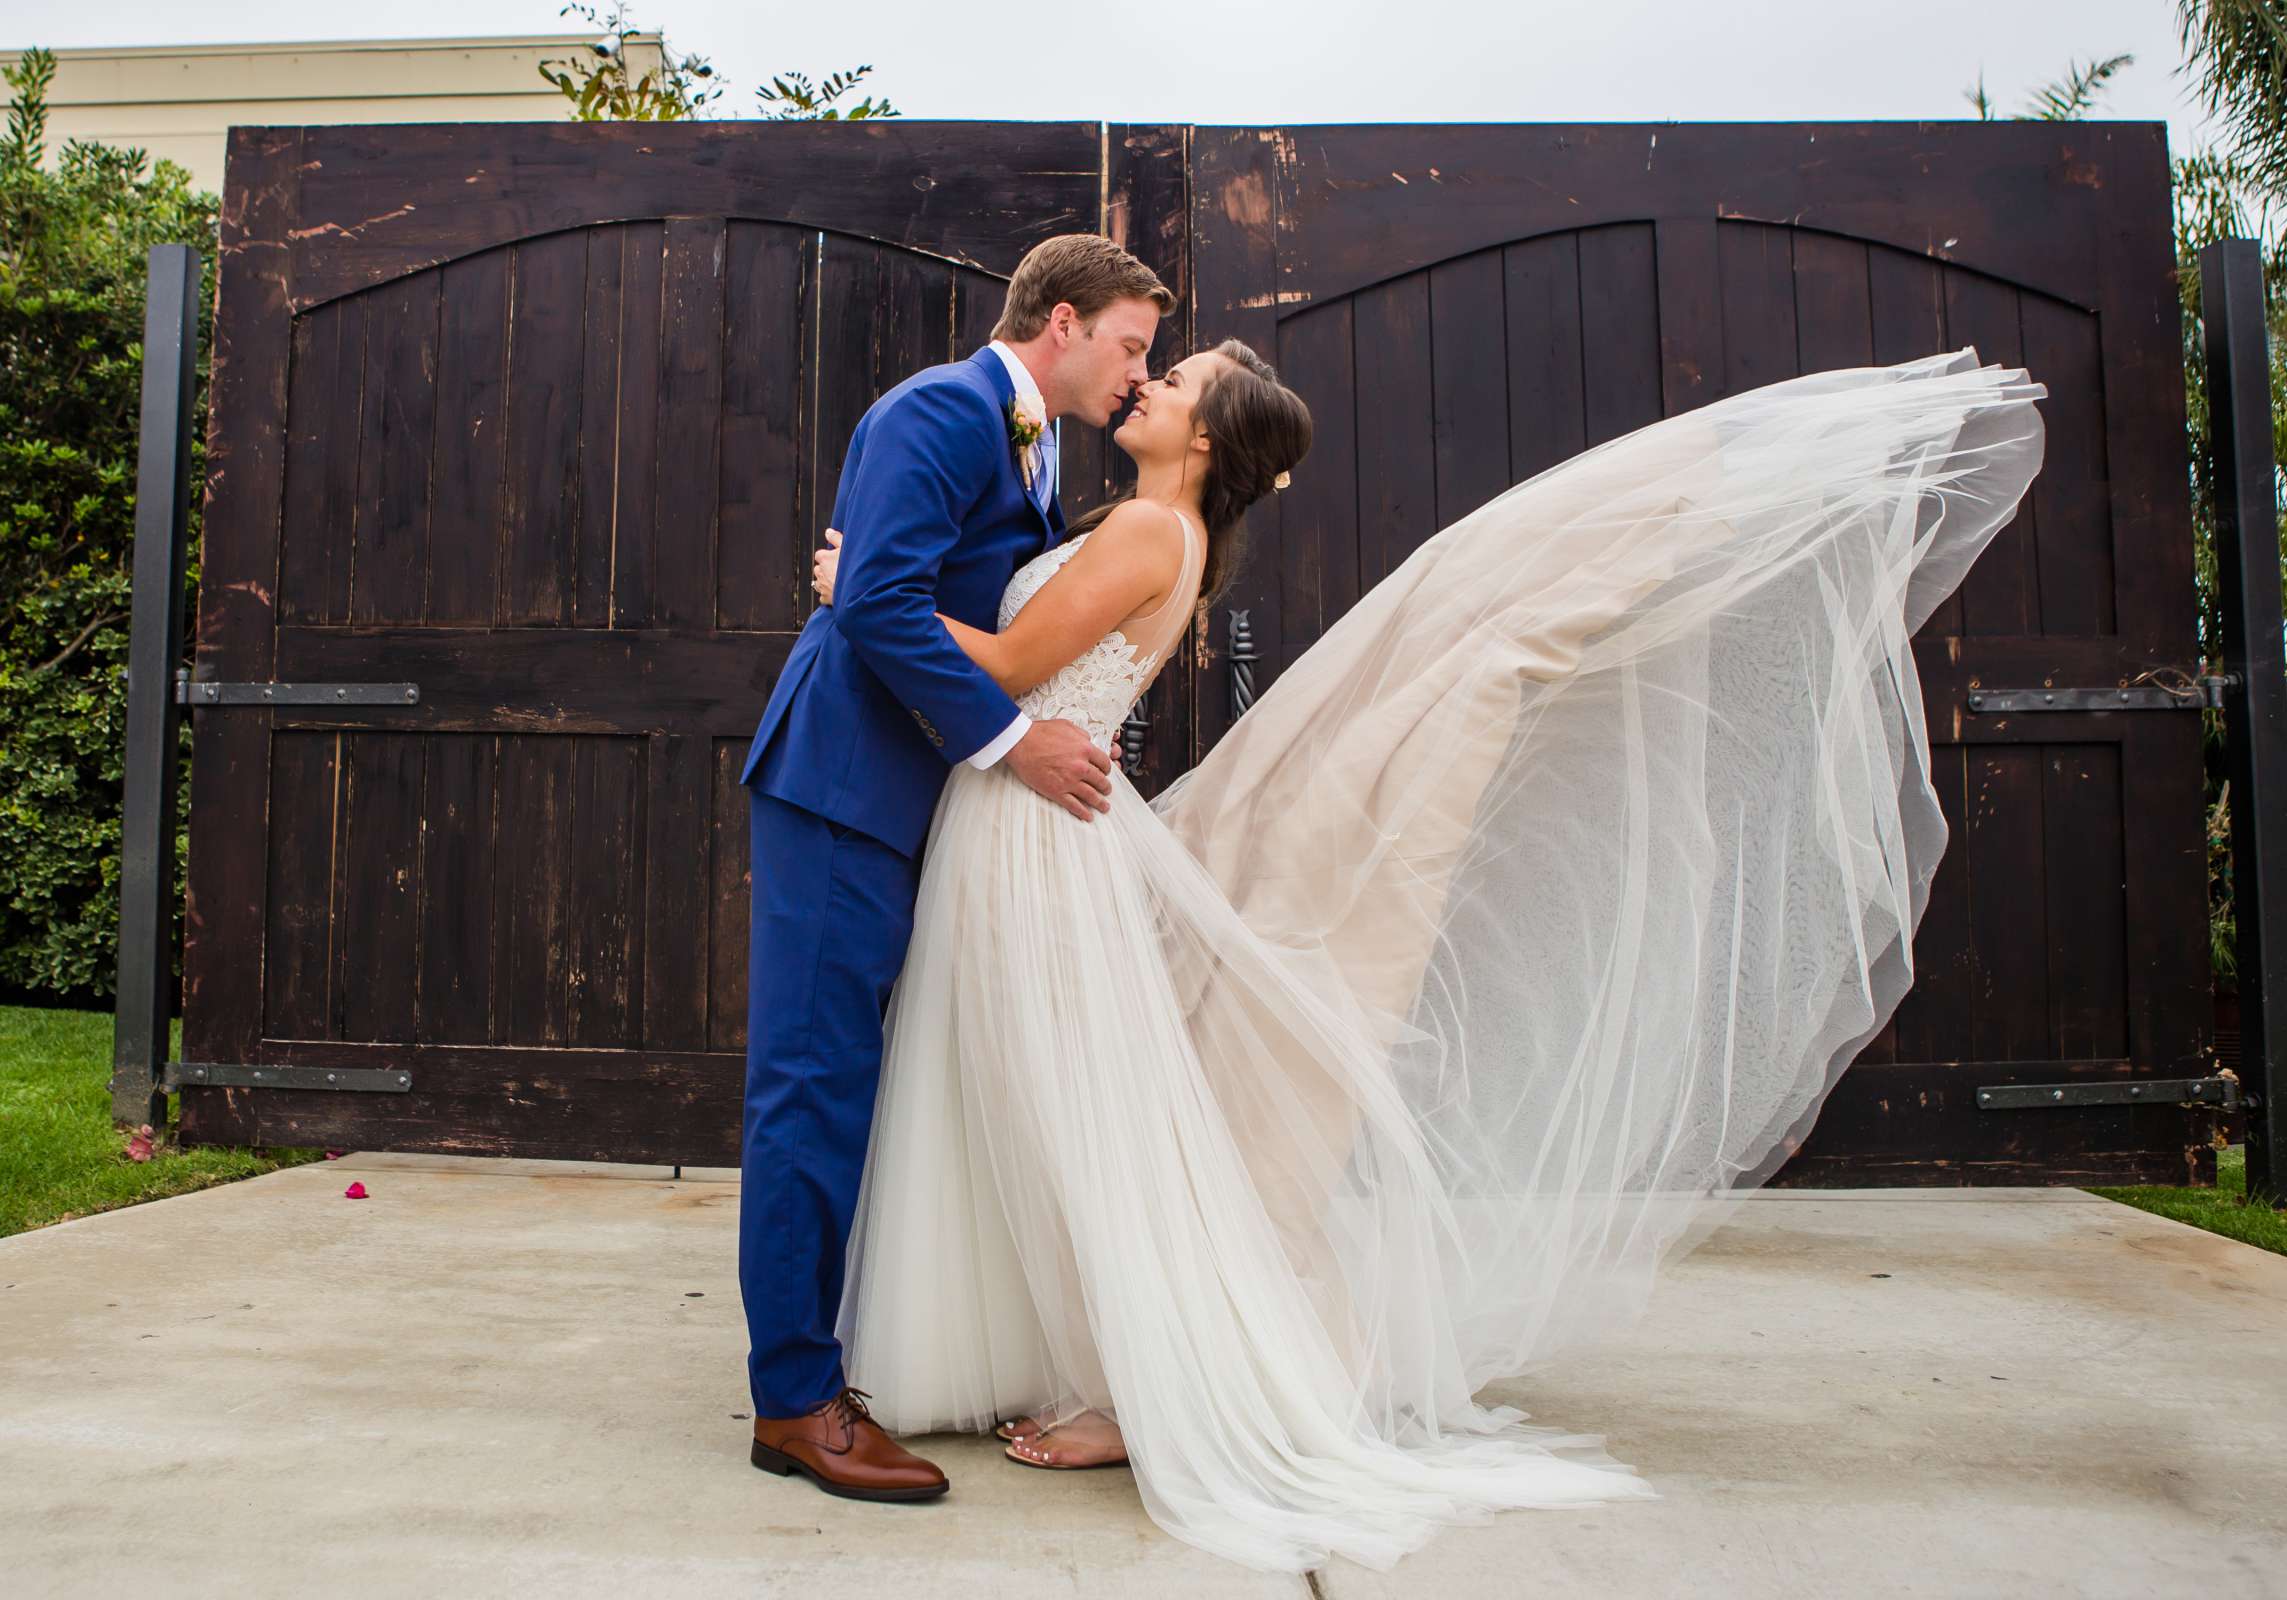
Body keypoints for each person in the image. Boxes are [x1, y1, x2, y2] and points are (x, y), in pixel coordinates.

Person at [815, 339, 2047, 1571]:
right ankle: (1092, 1364)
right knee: (1049, 1106)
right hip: (1026, 819)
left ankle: (1141, 1391)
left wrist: (860, 593)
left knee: (1071, 1114)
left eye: (1173, 381)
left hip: (1039, 824)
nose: (1149, 384)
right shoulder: (1133, 525)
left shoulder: (1147, 534)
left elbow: (1019, 669)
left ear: (1202, 443)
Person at [735, 233, 1172, 1503]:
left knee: (845, 1087)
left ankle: (816, 1368)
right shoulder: (941, 406)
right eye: (1130, 345)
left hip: (899, 797)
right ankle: (796, 1405)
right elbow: (874, 603)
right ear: (1064, 322)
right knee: (809, 1089)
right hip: (839, 785)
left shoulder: (1026, 443)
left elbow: (917, 595)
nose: (1136, 376)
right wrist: (1014, 741)